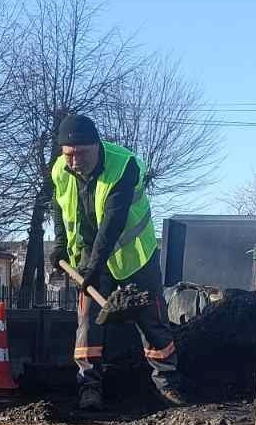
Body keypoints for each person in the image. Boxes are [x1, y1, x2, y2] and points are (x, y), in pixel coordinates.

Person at [47, 112, 185, 409]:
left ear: (98, 146)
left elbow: (113, 223)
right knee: (86, 321)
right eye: (69, 155)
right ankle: (89, 387)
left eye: (81, 154)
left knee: (152, 319)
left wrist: (93, 268)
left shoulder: (124, 167)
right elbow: (59, 208)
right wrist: (60, 245)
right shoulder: (60, 169)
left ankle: (167, 383)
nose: (74, 161)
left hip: (135, 256)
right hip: (88, 253)